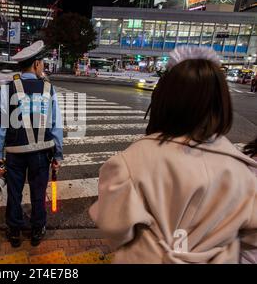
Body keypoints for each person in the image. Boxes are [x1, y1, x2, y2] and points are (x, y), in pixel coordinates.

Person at [89, 46, 257, 264]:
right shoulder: (243, 173)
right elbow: (251, 239)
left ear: (165, 98)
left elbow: (114, 228)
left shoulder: (131, 162)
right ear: (221, 104)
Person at [0, 40, 64, 248]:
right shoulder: (48, 89)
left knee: (14, 192)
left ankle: (14, 231)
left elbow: (1, 125)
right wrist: (58, 155)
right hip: (42, 153)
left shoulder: (7, 89)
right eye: (42, 63)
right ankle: (37, 229)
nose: (43, 66)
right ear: (35, 64)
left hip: (15, 153)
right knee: (38, 192)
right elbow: (56, 125)